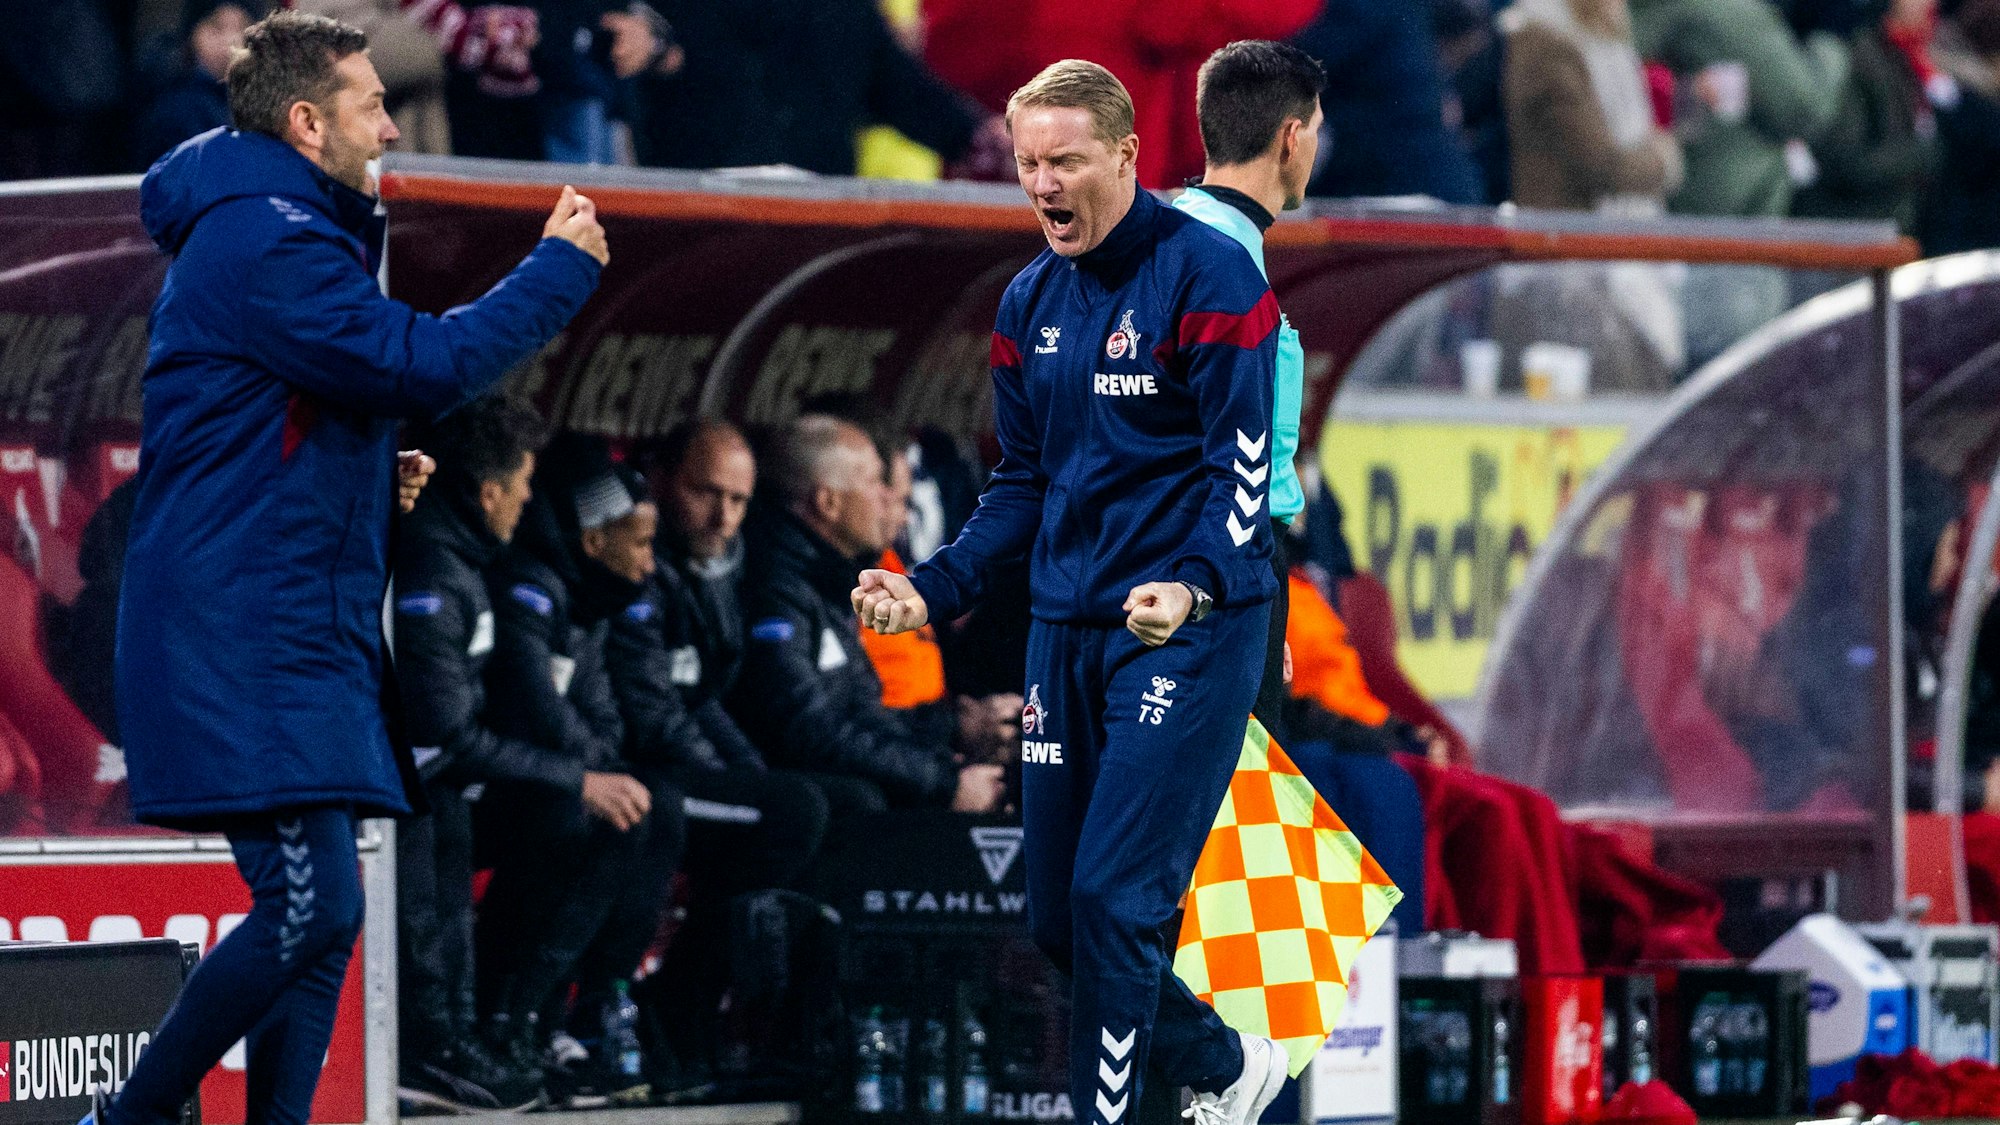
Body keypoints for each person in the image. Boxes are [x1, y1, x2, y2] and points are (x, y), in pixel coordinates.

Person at [110, 10, 605, 1125]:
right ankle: (125, 1117)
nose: (390, 121)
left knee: (327, 920)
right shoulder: (265, 235)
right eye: (370, 102)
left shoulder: (288, 226)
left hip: (291, 615)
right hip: (241, 625)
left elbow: (266, 427)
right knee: (309, 907)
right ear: (304, 121)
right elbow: (418, 363)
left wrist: (365, 482)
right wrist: (555, 270)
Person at [855, 59, 1288, 1125]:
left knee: (1114, 902)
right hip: (1062, 634)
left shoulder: (1211, 278)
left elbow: (1241, 474)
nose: (1042, 185)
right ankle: (1228, 1065)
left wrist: (1188, 590)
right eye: (1027, 164)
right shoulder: (1025, 301)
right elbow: (1019, 484)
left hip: (1186, 633)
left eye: (1065, 162)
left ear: (1129, 157)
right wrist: (933, 589)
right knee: (1055, 919)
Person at [605, 422, 831, 1084]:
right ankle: (675, 1000)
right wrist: (738, 780)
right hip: (638, 767)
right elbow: (652, 712)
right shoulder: (636, 563)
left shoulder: (717, 568)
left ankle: (780, 1021)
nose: (723, 515)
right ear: (666, 480)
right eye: (708, 493)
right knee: (793, 811)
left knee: (819, 802)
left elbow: (701, 695)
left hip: (683, 756)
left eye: (738, 500)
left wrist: (751, 775)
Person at [391, 395, 579, 1111]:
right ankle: (431, 1042)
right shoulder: (434, 568)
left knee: (489, 806)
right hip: (403, 787)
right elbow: (439, 732)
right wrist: (576, 775)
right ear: (491, 489)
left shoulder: (466, 556)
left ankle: (467, 1031)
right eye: (524, 484)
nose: (528, 500)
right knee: (434, 798)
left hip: (439, 782)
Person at [478, 438, 679, 1103]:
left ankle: (574, 1012)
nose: (651, 561)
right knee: (583, 812)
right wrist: (588, 777)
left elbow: (601, 716)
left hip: (540, 774)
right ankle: (514, 1016)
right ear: (594, 540)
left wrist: (600, 771)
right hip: (485, 777)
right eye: (641, 541)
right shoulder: (528, 584)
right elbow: (533, 706)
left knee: (643, 805)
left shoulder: (585, 596)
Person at [735, 414, 1006, 817]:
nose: (887, 498)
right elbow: (805, 730)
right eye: (873, 482)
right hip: (776, 791)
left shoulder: (826, 576)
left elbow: (863, 711)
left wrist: (944, 756)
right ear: (828, 502)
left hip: (839, 767)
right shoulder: (774, 586)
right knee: (865, 801)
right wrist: (943, 785)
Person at [1173, 39, 1325, 747]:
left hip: (1224, 566)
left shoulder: (1191, 237)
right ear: (1291, 139)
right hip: (1216, 562)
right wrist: (1235, 593)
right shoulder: (1218, 260)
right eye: (1316, 131)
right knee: (1222, 812)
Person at [130, 1, 258, 169]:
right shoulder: (175, 104)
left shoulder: (253, 99)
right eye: (217, 28)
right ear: (192, 33)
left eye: (242, 28)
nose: (231, 40)